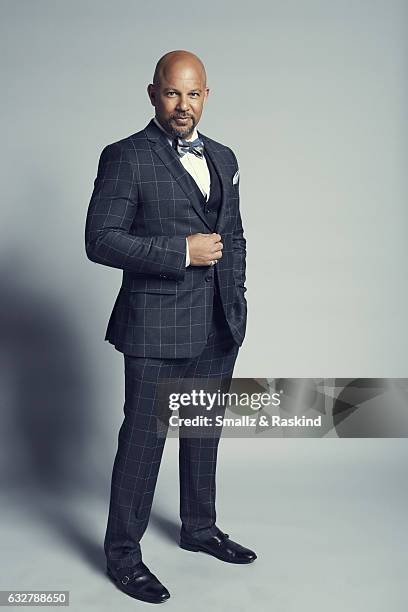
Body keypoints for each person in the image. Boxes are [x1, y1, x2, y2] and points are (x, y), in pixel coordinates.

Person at [85, 49, 255, 604]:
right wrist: (181, 250)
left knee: (203, 434)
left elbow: (235, 236)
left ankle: (199, 529)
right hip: (155, 325)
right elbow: (100, 240)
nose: (183, 105)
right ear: (153, 93)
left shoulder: (225, 157)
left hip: (217, 323)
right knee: (143, 441)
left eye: (194, 94)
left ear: (207, 95)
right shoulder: (126, 157)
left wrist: (239, 300)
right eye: (172, 93)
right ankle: (123, 557)